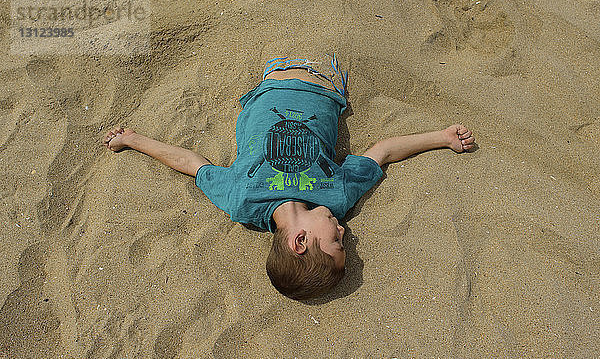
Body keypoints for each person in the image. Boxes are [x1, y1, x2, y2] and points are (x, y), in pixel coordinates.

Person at [103, 54, 475, 300]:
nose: (345, 234)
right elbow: (383, 152)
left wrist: (133, 140)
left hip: (270, 78)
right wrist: (441, 138)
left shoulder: (242, 201)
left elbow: (191, 164)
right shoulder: (339, 197)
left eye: (338, 244)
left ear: (299, 241)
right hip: (326, 80)